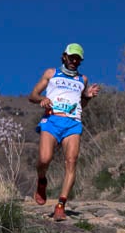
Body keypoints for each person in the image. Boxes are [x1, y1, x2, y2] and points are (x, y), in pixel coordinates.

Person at [29, 43, 100, 221]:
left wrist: (88, 97)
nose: (74, 61)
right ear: (64, 57)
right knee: (45, 159)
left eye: (77, 59)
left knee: (71, 162)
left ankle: (61, 205)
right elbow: (33, 95)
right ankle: (42, 180)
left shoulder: (82, 80)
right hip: (52, 121)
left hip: (73, 123)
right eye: (71, 57)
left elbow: (81, 105)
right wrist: (42, 99)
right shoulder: (51, 73)